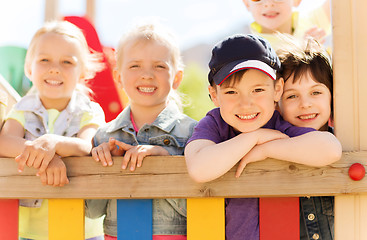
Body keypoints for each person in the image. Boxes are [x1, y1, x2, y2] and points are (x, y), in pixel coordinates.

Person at [184, 34, 342, 240]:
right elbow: (198, 169)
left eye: (258, 89)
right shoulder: (215, 123)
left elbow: (330, 149)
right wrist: (255, 137)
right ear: (214, 95)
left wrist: (266, 149)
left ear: (277, 90)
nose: (246, 103)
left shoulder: (279, 125)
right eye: (232, 92)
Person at [85, 22, 197, 240]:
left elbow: (202, 203)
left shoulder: (194, 133)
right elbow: (93, 211)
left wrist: (164, 163)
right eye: (135, 66)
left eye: (159, 66)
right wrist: (105, 170)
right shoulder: (103, 136)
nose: (147, 75)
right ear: (118, 77)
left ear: (176, 78)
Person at [0, 21, 106, 240]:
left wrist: (53, 143)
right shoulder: (23, 109)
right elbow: (4, 142)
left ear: (82, 72)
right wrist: (46, 155)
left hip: (83, 229)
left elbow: (88, 146)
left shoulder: (90, 110)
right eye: (44, 60)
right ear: (29, 68)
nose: (54, 68)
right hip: (31, 230)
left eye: (67, 61)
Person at [277, 36, 334, 240]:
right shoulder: (274, 143)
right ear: (277, 104)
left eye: (316, 92)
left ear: (332, 97)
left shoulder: (349, 141)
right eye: (292, 96)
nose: (305, 104)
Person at [242, 0, 332, 52]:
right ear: (246, 4)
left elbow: (338, 5)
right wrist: (302, 51)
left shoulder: (310, 21)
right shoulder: (251, 48)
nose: (268, 3)